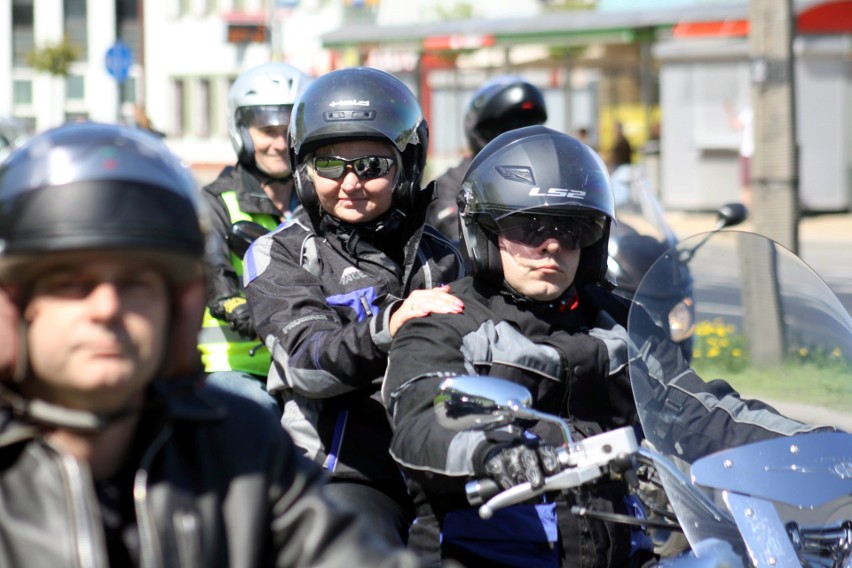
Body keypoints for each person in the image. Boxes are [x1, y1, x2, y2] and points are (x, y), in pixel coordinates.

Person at [382, 125, 823, 567]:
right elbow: (422, 420)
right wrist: (493, 452)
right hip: (488, 554)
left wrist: (816, 445)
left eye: (570, 228)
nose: (551, 243)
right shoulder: (446, 320)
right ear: (485, 229)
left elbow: (702, 412)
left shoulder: (619, 322)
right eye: (528, 226)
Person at [0, 122, 423, 567]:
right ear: (13, 306)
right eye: (71, 284)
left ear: (179, 306)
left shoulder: (237, 446)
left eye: (136, 283)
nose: (106, 308)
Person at [243, 66, 466, 547]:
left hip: (449, 466)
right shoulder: (279, 252)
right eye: (329, 165)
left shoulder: (447, 255)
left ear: (406, 164)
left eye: (371, 166)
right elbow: (305, 362)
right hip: (342, 472)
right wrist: (389, 324)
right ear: (304, 169)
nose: (349, 182)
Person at [199, 62, 312, 413]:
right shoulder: (215, 202)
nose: (280, 144)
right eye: (267, 131)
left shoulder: (320, 198)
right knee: (256, 411)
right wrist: (242, 307)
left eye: (289, 130)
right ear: (242, 131)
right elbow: (214, 272)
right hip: (237, 366)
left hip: (310, 362)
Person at [426, 76, 547, 242]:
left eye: (530, 128)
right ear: (483, 131)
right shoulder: (454, 184)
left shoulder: (547, 182)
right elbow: (458, 234)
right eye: (509, 128)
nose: (520, 140)